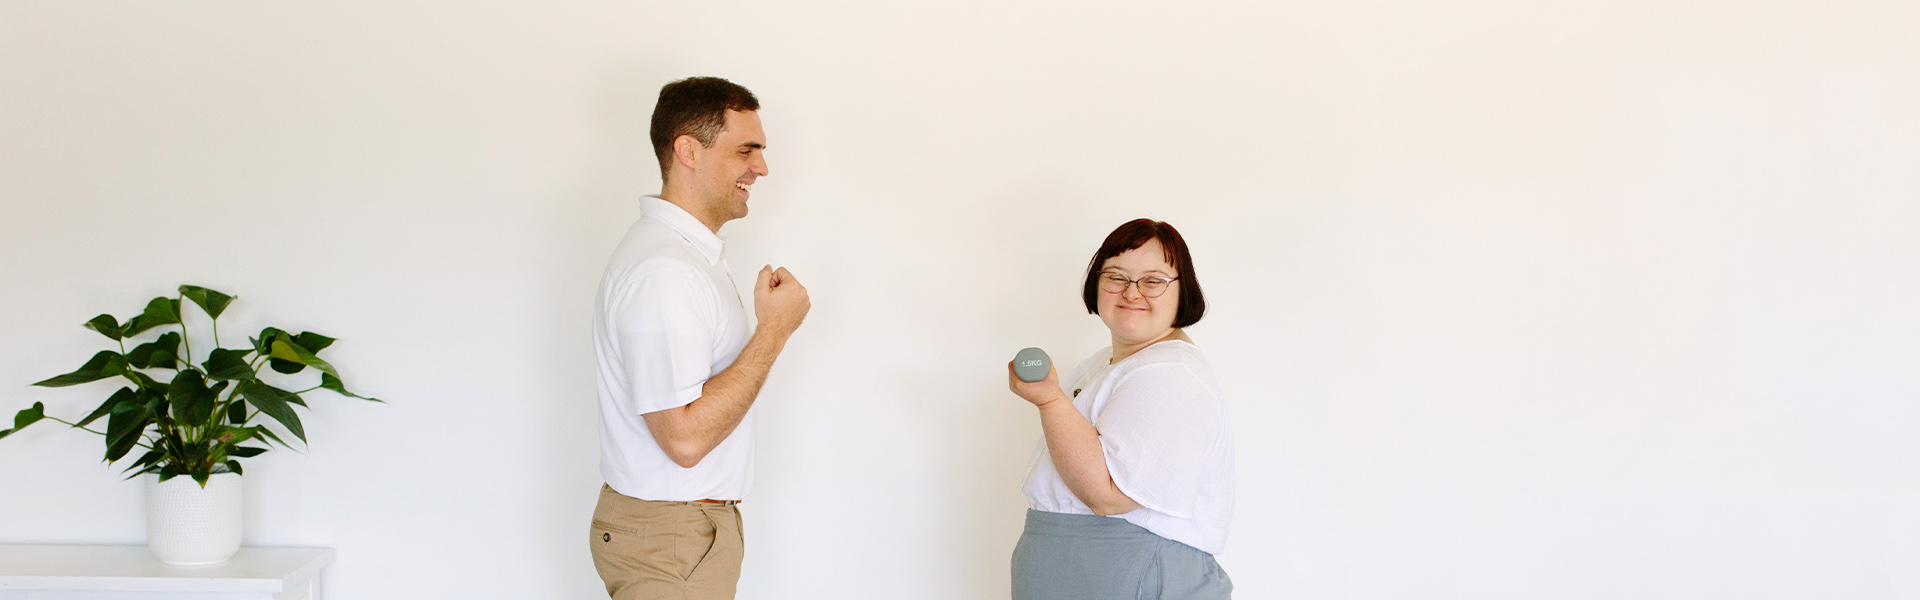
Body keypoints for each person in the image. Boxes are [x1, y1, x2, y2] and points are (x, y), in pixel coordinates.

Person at [589, 76, 810, 600]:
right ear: (687, 150)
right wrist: (774, 331)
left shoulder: (684, 258)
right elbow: (683, 440)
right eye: (745, 150)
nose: (761, 167)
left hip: (682, 537)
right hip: (672, 540)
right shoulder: (665, 271)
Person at [1007, 219, 1235, 599]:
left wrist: (1050, 400)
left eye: (1153, 280)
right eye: (1116, 277)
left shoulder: (1172, 372)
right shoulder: (1110, 363)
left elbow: (1107, 494)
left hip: (1123, 570)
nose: (1132, 292)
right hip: (1082, 569)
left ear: (1183, 292)